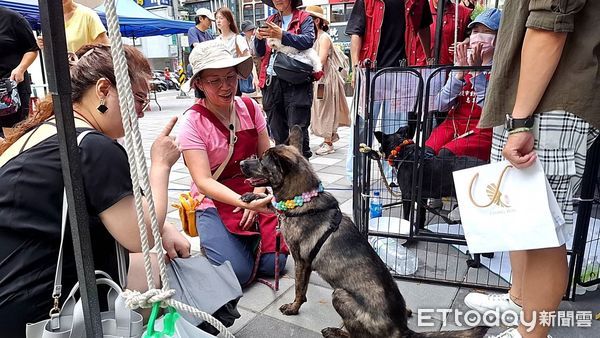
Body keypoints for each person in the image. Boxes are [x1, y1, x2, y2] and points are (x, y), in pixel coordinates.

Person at [0, 44, 190, 337]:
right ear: (103, 89)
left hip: (13, 290)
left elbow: (121, 207)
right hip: (43, 310)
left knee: (155, 261)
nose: (143, 111)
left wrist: (165, 228)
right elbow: (141, 235)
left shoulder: (43, 132)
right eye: (139, 99)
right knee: (159, 268)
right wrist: (161, 165)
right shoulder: (92, 146)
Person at [463, 2, 600, 338]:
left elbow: (549, 24)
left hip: (551, 99)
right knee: (520, 216)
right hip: (527, 100)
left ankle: (531, 334)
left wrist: (521, 120)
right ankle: (519, 299)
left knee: (542, 234)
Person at [179, 40, 288, 285]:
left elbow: (266, 159)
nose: (226, 86)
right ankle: (222, 241)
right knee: (237, 273)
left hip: (253, 190)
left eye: (230, 77)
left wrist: (258, 194)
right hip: (213, 198)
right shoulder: (192, 123)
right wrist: (245, 204)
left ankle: (242, 242)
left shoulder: (250, 107)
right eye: (214, 80)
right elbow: (204, 181)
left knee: (275, 265)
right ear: (199, 83)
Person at [344, 0, 433, 181]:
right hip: (370, 70)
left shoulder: (417, 1)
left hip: (401, 72)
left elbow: (423, 28)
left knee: (396, 129)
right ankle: (356, 175)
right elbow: (356, 32)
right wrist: (355, 68)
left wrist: (430, 57)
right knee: (362, 127)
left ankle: (393, 174)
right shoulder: (368, 1)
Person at [425, 8, 501, 162]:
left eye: (487, 31)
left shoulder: (500, 68)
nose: (478, 36)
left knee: (446, 156)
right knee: (423, 154)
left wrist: (477, 74)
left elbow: (490, 110)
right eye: (475, 31)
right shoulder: (462, 62)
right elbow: (440, 105)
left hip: (483, 130)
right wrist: (459, 74)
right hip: (453, 124)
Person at [255, 0, 316, 159]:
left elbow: (308, 41)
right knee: (277, 132)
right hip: (271, 81)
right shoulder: (271, 21)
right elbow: (261, 52)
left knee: (297, 131)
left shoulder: (304, 18)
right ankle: (283, 174)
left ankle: (303, 176)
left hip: (296, 81)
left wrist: (282, 35)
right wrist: (259, 38)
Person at [305, 5, 351, 156]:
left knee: (325, 107)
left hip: (325, 79)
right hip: (320, 78)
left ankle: (328, 142)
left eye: (308, 19)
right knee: (320, 107)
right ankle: (329, 137)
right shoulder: (315, 37)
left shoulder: (323, 37)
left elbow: (322, 59)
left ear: (317, 21)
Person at [0, 6, 39, 138]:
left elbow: (32, 49)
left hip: (11, 89)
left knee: (14, 137)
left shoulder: (13, 18)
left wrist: (21, 68)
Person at [408, 0, 472, 66]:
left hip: (449, 68)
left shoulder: (462, 13)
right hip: (422, 68)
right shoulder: (417, 11)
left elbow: (471, 35)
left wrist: (464, 43)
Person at [36, 0, 109, 53]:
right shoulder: (49, 19)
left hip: (85, 71)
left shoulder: (88, 15)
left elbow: (105, 47)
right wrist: (41, 44)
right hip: (61, 71)